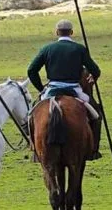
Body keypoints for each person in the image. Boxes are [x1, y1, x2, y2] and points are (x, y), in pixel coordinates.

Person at [27, 19, 103, 160]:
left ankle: (35, 149)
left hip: (52, 89)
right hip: (75, 89)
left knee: (32, 114)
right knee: (97, 115)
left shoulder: (47, 49)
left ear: (57, 32)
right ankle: (93, 149)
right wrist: (93, 77)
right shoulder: (80, 49)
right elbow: (95, 70)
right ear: (71, 32)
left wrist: (41, 88)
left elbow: (31, 70)